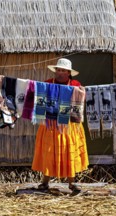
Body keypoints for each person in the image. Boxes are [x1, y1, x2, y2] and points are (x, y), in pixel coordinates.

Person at [32, 58, 89, 192]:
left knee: (69, 151)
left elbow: (81, 100)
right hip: (50, 125)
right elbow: (38, 96)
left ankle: (72, 183)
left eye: (63, 70)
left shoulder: (75, 84)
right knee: (49, 152)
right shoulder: (47, 84)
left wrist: (76, 91)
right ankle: (45, 182)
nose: (60, 73)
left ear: (69, 72)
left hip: (69, 125)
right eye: (58, 70)